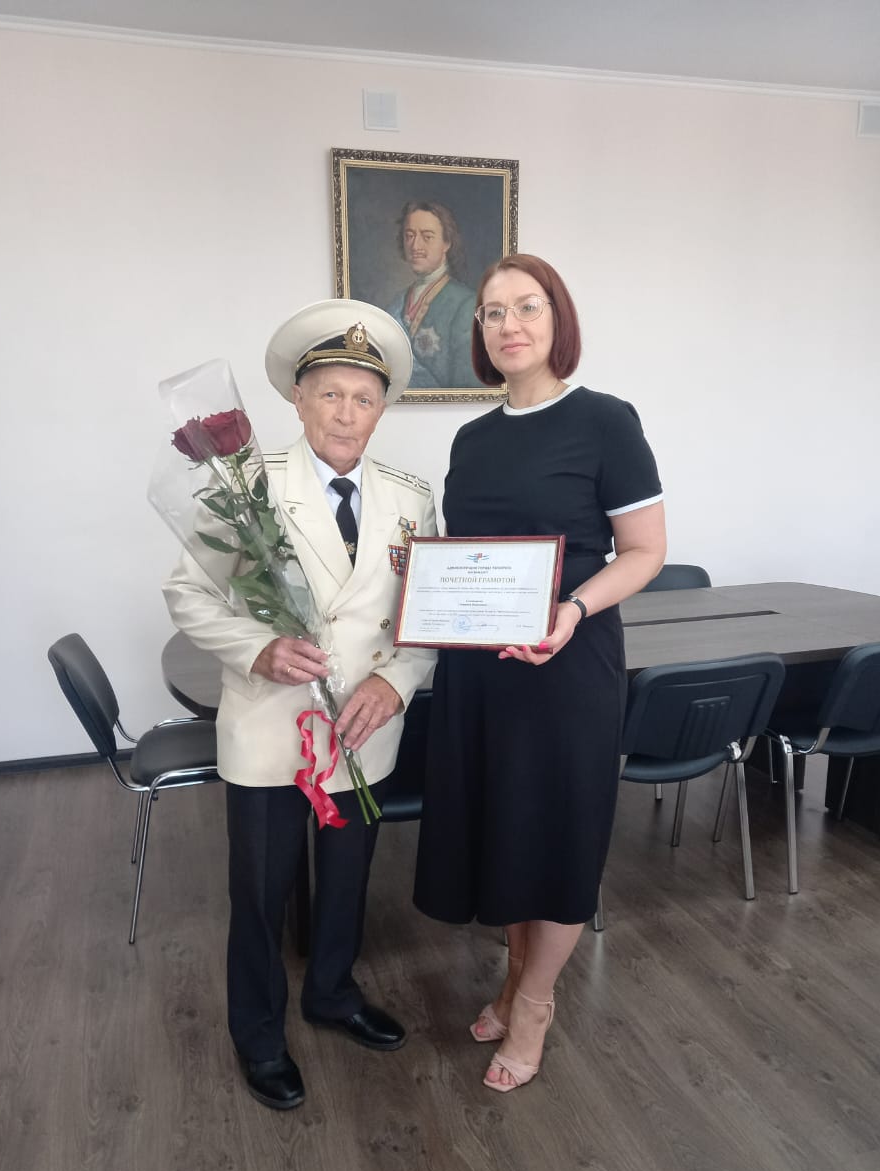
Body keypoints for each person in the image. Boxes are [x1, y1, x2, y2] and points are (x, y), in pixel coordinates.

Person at [164, 300, 437, 1111]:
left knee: (347, 880)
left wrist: (397, 681)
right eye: (331, 395)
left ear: (381, 409)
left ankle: (332, 993)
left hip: (364, 731)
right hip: (270, 731)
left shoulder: (411, 498)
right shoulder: (245, 485)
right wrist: (257, 647)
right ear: (299, 399)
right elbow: (187, 593)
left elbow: (424, 615)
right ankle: (257, 1032)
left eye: (364, 398)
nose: (347, 413)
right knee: (260, 893)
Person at [413, 254, 666, 1093]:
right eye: (492, 312)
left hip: (566, 664)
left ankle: (535, 1004)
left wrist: (573, 610)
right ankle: (512, 977)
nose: (509, 324)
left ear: (558, 319)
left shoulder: (605, 421)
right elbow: (476, 555)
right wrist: (425, 576)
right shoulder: (472, 438)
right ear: (479, 332)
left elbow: (645, 552)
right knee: (506, 829)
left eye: (527, 307)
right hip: (481, 673)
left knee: (555, 834)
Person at [387, 200, 478, 390]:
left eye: (427, 236)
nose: (415, 245)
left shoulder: (466, 303)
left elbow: (469, 387)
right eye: (409, 236)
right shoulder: (398, 301)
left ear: (447, 243)